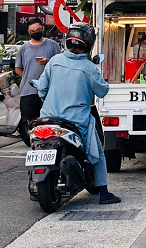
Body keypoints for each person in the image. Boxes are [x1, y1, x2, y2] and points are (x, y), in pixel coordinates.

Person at [37, 22, 120, 205]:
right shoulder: (89, 68)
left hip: (48, 118)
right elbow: (102, 91)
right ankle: (104, 193)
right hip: (77, 121)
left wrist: (50, 102)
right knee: (97, 153)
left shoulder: (54, 61)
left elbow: (42, 89)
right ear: (88, 43)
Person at [15, 17, 61, 144]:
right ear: (29, 32)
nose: (35, 32)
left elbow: (60, 66)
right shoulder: (23, 48)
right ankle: (35, 142)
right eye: (32, 31)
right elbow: (18, 68)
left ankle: (50, 142)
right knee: (30, 119)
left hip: (49, 91)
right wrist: (28, 78)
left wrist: (48, 62)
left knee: (49, 119)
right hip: (28, 91)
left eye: (38, 29)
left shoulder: (53, 45)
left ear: (43, 28)